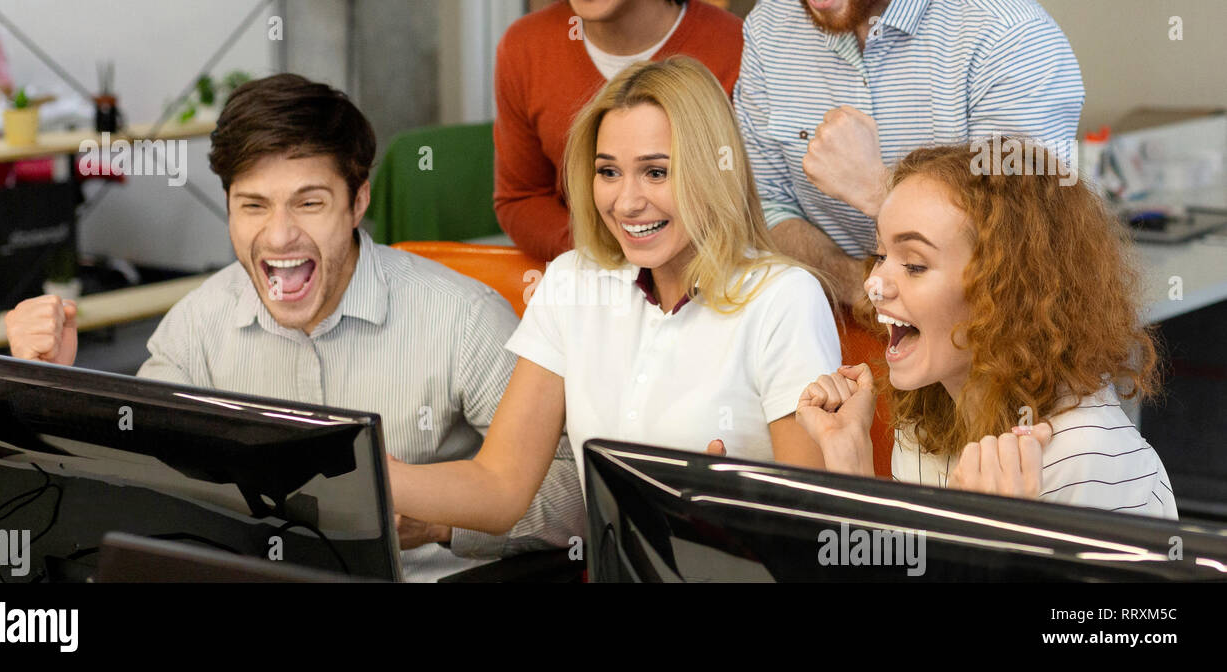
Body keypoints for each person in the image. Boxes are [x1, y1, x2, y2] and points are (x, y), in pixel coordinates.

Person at [2, 73, 585, 581]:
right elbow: (140, 484)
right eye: (253, 206)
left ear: (358, 202)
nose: (279, 236)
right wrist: (48, 389)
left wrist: (442, 523)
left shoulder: (461, 316)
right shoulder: (197, 326)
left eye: (308, 204)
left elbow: (574, 497)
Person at [389, 57, 842, 536]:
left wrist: (725, 507)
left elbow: (811, 526)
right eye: (608, 172)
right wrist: (369, 474)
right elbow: (500, 487)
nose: (626, 202)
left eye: (656, 172)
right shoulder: (570, 283)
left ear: (714, 170)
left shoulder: (785, 298)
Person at [792, 140, 1177, 519]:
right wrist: (851, 465)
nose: (874, 285)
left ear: (1008, 290)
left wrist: (991, 535)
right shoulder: (928, 421)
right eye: (880, 255)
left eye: (914, 265)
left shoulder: (1088, 459)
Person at [734, 0, 1084, 304]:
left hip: (986, 343)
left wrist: (878, 190)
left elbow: (1022, 238)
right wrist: (862, 287)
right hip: (834, 325)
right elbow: (762, 204)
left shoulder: (1012, 34)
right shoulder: (769, 26)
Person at [494, 0, 743, 262]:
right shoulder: (525, 46)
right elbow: (522, 197)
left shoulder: (739, 46)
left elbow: (755, 201)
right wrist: (607, 258)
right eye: (608, 172)